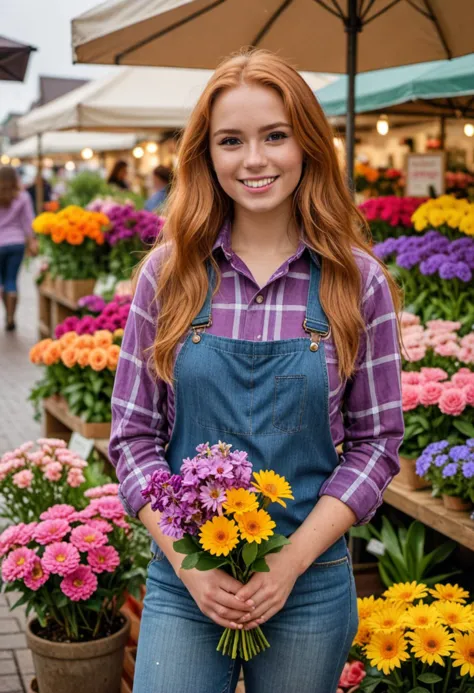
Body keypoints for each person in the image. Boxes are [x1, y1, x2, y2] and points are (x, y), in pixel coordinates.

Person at [109, 49, 404, 693]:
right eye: (231, 141)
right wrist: (191, 569)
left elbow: (377, 445)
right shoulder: (169, 277)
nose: (255, 160)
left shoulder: (358, 284)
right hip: (188, 581)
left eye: (276, 135)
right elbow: (132, 440)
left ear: (307, 144)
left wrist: (288, 564)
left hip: (310, 579)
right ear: (206, 156)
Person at [0, 166, 35, 331]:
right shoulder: (23, 197)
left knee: (1, 282)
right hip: (16, 243)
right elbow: (29, 222)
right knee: (11, 280)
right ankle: (11, 317)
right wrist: (32, 240)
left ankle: (7, 312)